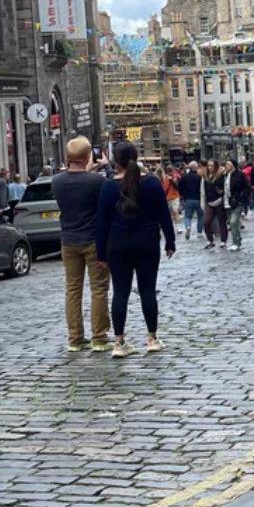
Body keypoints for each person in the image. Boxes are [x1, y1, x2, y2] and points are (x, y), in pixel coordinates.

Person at [95, 141, 175, 358]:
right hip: (146, 243)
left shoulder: (109, 187)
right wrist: (170, 241)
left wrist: (100, 252)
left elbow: (101, 223)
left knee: (120, 293)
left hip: (118, 245)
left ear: (116, 162)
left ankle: (119, 342)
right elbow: (164, 215)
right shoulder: (151, 184)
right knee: (148, 291)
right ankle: (152, 337)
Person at [52, 138, 112, 352]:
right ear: (88, 157)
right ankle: (99, 337)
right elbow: (109, 194)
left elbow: (76, 178)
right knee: (98, 289)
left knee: (73, 289)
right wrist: (102, 166)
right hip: (93, 240)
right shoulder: (96, 181)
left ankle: (75, 338)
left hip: (68, 240)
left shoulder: (56, 181)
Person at [225, 159, 250, 251]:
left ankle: (236, 242)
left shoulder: (240, 175)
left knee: (233, 222)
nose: (226, 166)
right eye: (226, 164)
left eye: (228, 164)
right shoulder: (226, 175)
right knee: (230, 223)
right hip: (227, 202)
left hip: (237, 201)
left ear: (233, 165)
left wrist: (241, 197)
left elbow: (247, 186)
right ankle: (237, 239)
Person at [202, 160, 228, 250]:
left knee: (221, 222)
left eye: (211, 166)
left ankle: (223, 241)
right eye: (208, 166)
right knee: (206, 222)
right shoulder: (205, 177)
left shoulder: (221, 175)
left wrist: (220, 192)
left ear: (215, 166)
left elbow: (225, 187)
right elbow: (203, 190)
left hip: (219, 200)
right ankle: (210, 240)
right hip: (209, 201)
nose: (209, 167)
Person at [178, 161, 204, 240]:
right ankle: (199, 232)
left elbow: (179, 187)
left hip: (188, 199)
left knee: (187, 216)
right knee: (200, 216)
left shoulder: (184, 177)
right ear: (196, 168)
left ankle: (188, 227)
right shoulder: (199, 177)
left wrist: (183, 195)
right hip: (198, 199)